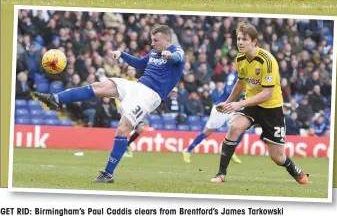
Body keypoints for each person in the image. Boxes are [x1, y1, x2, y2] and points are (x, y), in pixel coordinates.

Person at [34, 25, 185, 182]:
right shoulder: (154, 52)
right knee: (98, 86)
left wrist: (170, 55)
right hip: (137, 86)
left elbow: (178, 58)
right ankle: (55, 99)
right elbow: (140, 63)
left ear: (167, 40)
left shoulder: (177, 52)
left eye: (156, 40)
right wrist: (122, 54)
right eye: (152, 40)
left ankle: (108, 173)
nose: (152, 44)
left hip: (151, 95)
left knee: (122, 129)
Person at [211, 22, 308, 184]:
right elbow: (241, 83)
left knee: (277, 157)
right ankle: (221, 174)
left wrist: (239, 104)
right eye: (239, 39)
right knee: (234, 127)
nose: (240, 42)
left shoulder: (267, 61)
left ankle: (296, 171)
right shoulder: (240, 58)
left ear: (254, 41)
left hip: (271, 108)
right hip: (252, 105)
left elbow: (267, 94)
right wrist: (228, 103)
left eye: (244, 39)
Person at [183, 72, 242, 165]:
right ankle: (188, 150)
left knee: (240, 128)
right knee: (207, 132)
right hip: (222, 106)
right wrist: (242, 94)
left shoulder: (248, 75)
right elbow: (229, 89)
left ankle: (231, 151)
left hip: (233, 107)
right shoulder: (233, 75)